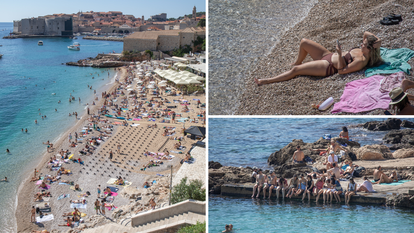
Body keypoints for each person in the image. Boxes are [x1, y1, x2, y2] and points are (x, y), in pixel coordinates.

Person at [254, 31, 382, 85]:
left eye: (364, 45)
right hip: (328, 55)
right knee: (304, 42)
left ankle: (266, 81)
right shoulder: (366, 49)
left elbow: (341, 71)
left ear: (370, 49)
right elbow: (366, 33)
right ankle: (298, 61)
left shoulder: (361, 61)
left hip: (328, 67)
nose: (361, 44)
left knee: (296, 71)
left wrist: (339, 52)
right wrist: (378, 41)